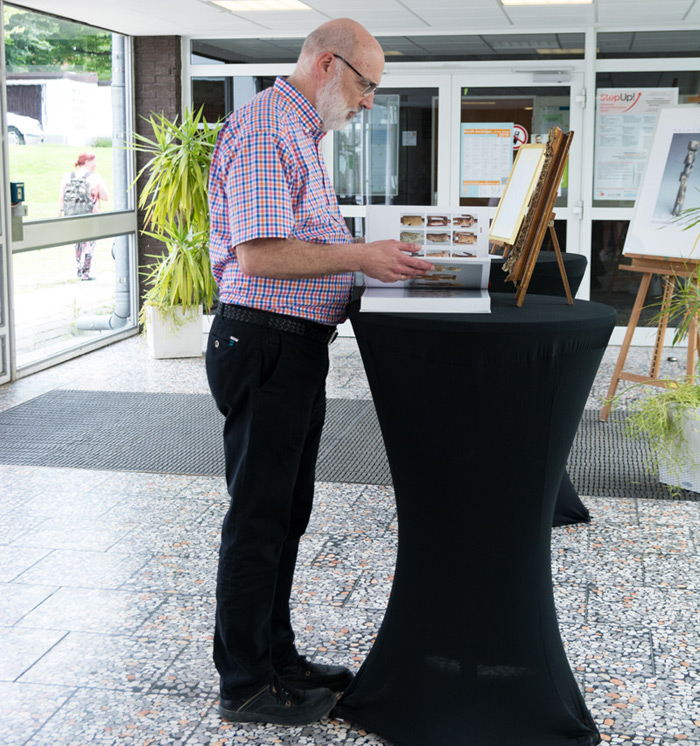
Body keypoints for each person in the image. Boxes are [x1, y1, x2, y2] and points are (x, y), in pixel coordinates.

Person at [206, 17, 432, 728]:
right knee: (259, 519)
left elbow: (303, 241)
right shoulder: (268, 127)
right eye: (367, 85)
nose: (368, 101)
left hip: (290, 345)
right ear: (329, 64)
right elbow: (262, 255)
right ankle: (246, 683)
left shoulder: (301, 132)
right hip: (264, 343)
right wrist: (363, 257)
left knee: (284, 516)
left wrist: (372, 264)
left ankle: (278, 658)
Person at [58, 152, 109, 280]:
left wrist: (60, 212)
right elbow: (105, 197)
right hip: (90, 215)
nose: (96, 164)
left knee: (78, 243)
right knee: (89, 243)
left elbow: (62, 197)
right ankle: (85, 273)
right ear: (87, 162)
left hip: (73, 215)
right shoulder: (95, 177)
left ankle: (79, 269)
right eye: (94, 161)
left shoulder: (67, 176)